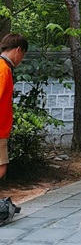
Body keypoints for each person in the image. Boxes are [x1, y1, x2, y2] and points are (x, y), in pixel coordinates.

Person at [0, 33, 28, 181]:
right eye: (23, 55)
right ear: (18, 50)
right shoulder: (3, 69)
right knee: (1, 167)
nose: (21, 60)